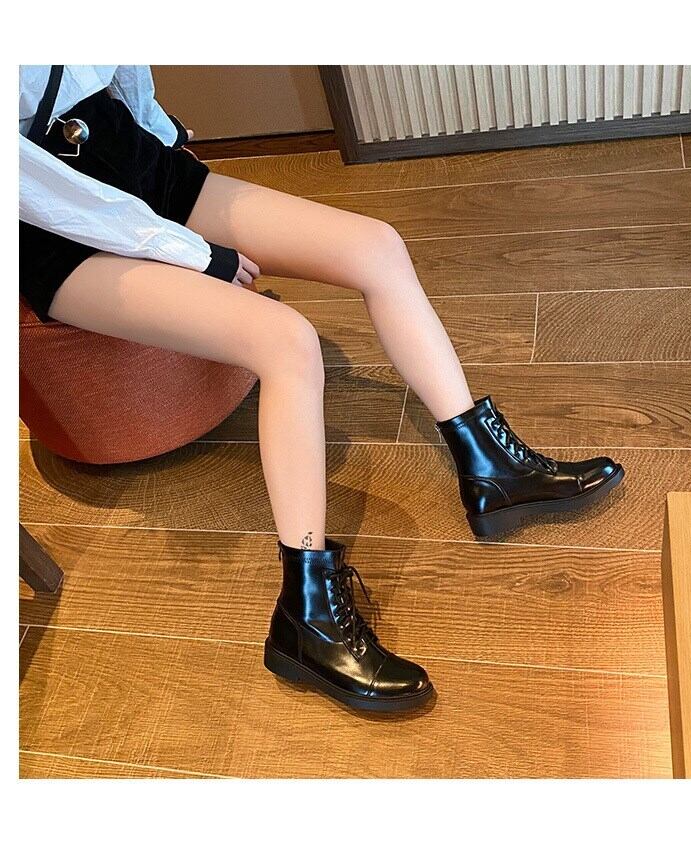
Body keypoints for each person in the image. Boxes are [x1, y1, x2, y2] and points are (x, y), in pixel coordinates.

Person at [19, 65, 625, 713]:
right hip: (54, 219)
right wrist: (191, 253)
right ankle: (305, 618)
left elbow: (117, 69)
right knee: (287, 342)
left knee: (375, 245)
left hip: (126, 154)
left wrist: (160, 138)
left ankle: (491, 467)